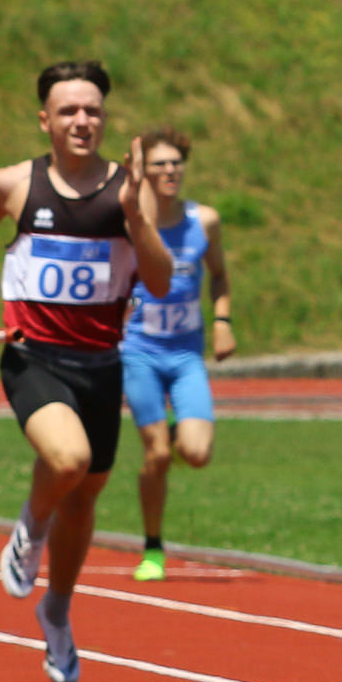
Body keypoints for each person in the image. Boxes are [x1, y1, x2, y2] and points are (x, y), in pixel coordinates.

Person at [0, 61, 170, 682]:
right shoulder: (13, 185)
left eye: (93, 110)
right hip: (34, 357)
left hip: (101, 365)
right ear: (44, 120)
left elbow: (160, 281)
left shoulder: (128, 190)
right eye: (69, 110)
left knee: (84, 500)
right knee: (67, 459)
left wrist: (135, 216)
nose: (82, 120)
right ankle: (30, 525)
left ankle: (56, 609)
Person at [118, 129, 235, 583]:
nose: (170, 171)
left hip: (186, 354)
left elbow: (219, 275)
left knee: (197, 452)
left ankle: (172, 438)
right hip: (139, 352)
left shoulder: (204, 221)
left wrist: (222, 322)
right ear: (142, 171)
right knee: (156, 456)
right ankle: (153, 548)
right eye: (159, 164)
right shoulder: (128, 224)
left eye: (176, 163)